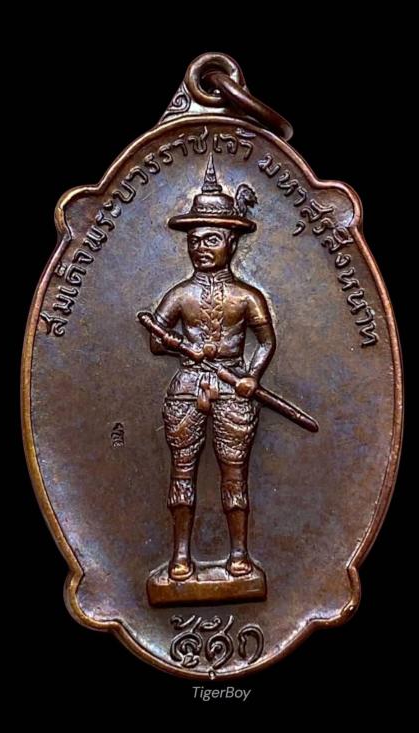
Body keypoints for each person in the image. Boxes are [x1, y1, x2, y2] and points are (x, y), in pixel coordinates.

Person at [148, 154, 276, 581]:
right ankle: (181, 555)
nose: (201, 248)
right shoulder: (180, 295)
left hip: (232, 385)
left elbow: (266, 342)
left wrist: (251, 376)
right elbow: (156, 339)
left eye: (212, 240)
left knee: (234, 473)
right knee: (182, 472)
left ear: (232, 243)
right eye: (195, 240)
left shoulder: (247, 297)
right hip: (188, 386)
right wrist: (180, 348)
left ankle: (239, 554)